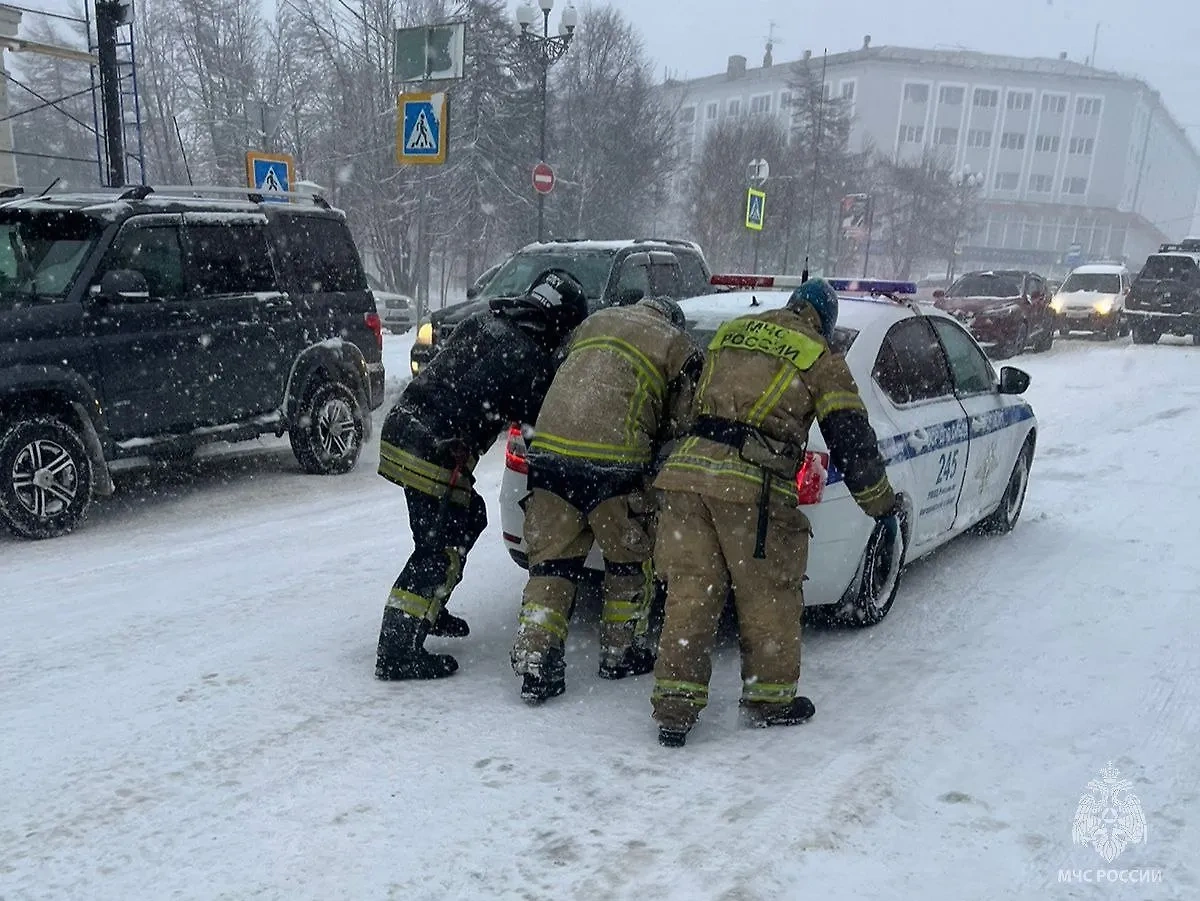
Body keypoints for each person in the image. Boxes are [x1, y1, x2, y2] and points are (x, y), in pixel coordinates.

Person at [649, 278, 901, 747]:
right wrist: (880, 503)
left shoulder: (731, 333)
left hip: (685, 477)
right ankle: (769, 700)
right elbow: (850, 437)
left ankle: (673, 710)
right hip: (751, 487)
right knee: (769, 591)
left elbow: (685, 404)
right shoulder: (819, 356)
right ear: (824, 321)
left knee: (691, 591)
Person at [374, 270, 589, 681]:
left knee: (465, 518)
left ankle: (428, 607)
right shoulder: (529, 357)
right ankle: (397, 650)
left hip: (404, 430)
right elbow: (536, 431)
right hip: (435, 452)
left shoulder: (486, 322)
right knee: (442, 545)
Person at [510, 295, 704, 702]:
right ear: (673, 320)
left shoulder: (596, 321)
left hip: (550, 453)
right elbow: (684, 421)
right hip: (616, 463)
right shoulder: (677, 344)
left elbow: (559, 371)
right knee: (628, 560)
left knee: (552, 564)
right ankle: (620, 651)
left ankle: (536, 662)